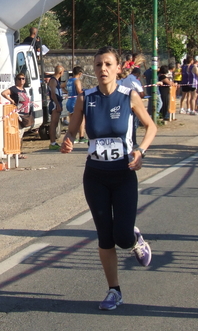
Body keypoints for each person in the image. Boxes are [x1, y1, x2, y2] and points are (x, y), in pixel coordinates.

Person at [60, 47, 157, 311]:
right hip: (95, 176)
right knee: (105, 236)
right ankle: (114, 291)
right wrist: (67, 141)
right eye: (98, 65)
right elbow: (72, 131)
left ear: (117, 69)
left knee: (122, 236)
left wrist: (141, 151)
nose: (103, 69)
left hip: (124, 174)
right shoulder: (85, 98)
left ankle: (134, 239)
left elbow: (151, 126)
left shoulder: (129, 96)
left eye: (108, 64)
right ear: (94, 69)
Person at [64, 66, 86, 143]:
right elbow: (79, 91)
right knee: (81, 119)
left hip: (70, 100)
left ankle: (72, 136)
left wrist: (68, 92)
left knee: (72, 119)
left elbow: (62, 86)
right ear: (80, 73)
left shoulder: (68, 81)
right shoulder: (77, 81)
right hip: (75, 101)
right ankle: (81, 137)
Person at [47, 64, 65, 149]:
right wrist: (57, 104)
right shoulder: (53, 81)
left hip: (58, 101)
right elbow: (53, 94)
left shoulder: (56, 80)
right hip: (55, 103)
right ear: (61, 72)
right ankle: (52, 143)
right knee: (53, 123)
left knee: (56, 123)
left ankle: (54, 142)